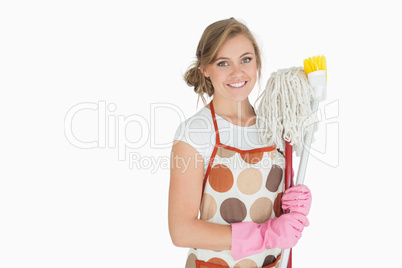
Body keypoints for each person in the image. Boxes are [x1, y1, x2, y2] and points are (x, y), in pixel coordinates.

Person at [169, 18, 312, 268]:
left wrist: (293, 205)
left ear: (257, 61)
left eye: (246, 59)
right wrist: (264, 234)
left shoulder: (274, 126)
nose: (237, 73)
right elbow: (181, 231)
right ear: (205, 68)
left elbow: (274, 216)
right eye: (223, 63)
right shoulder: (195, 133)